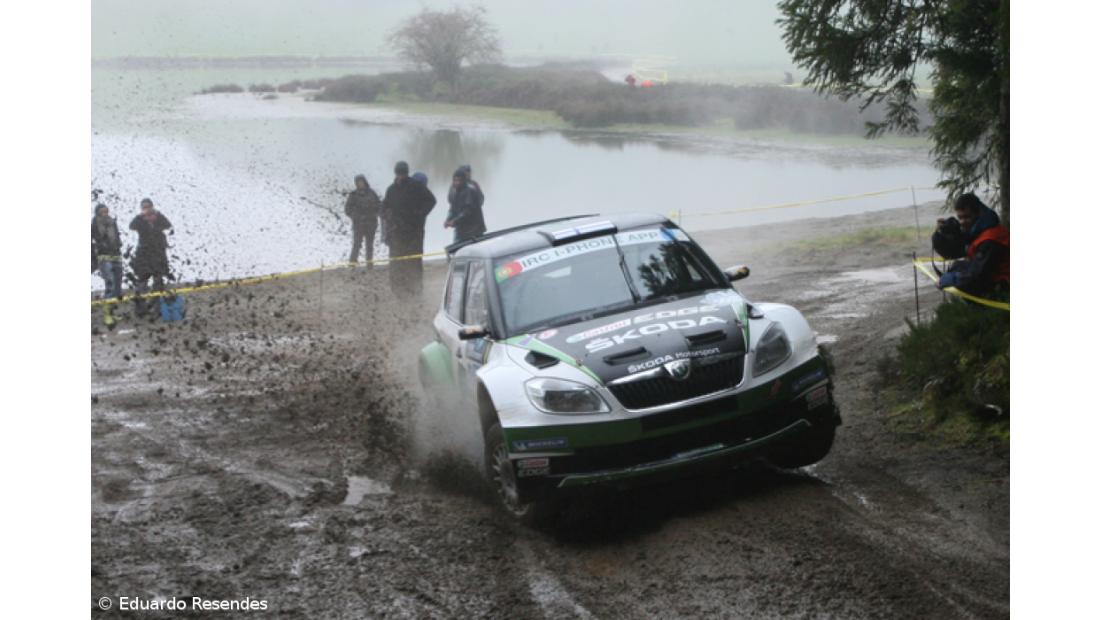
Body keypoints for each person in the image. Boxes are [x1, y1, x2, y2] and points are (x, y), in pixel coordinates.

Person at [932, 193, 1009, 299]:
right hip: (989, 277)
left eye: (967, 217)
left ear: (978, 213)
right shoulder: (978, 230)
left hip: (1001, 285)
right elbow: (953, 252)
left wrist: (947, 280)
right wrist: (941, 234)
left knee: (962, 274)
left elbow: (978, 277)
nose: (963, 222)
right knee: (957, 266)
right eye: (960, 218)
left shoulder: (991, 238)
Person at [381, 161, 436, 298]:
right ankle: (398, 291)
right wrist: (385, 215)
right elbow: (384, 206)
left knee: (414, 262)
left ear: (407, 173)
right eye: (399, 174)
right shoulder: (391, 190)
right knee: (396, 263)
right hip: (396, 233)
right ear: (396, 174)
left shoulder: (416, 186)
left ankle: (416, 290)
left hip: (414, 233)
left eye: (404, 173)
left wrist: (419, 214)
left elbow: (431, 200)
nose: (401, 176)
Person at [129, 198, 173, 316]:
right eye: (144, 207)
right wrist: (141, 217)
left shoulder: (158, 218)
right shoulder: (140, 220)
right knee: (142, 282)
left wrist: (157, 216)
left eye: (149, 206)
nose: (147, 209)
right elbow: (131, 226)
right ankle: (140, 309)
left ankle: (156, 308)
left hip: (158, 254)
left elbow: (168, 225)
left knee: (158, 282)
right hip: (144, 255)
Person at [344, 174, 382, 266]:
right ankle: (352, 264)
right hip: (358, 225)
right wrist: (355, 216)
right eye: (358, 182)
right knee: (356, 245)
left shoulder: (372, 193)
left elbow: (379, 206)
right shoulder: (353, 195)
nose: (360, 184)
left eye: (361, 181)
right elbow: (347, 209)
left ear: (365, 182)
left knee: (369, 246)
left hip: (371, 224)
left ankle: (369, 264)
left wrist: (375, 214)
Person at [444, 166, 487, 244]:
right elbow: (452, 208)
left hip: (474, 231)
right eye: (455, 180)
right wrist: (448, 220)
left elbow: (467, 211)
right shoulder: (456, 191)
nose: (456, 183)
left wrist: (454, 221)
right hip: (461, 230)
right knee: (456, 250)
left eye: (458, 180)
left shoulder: (470, 190)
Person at [91, 203, 124, 301]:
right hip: (103, 255)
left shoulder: (112, 222)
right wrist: (100, 247)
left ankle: (116, 303)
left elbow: (117, 236)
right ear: (98, 213)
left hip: (115, 253)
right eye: (102, 212)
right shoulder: (95, 223)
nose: (105, 213)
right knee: (110, 279)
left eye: (106, 211)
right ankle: (109, 302)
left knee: (118, 278)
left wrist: (118, 245)